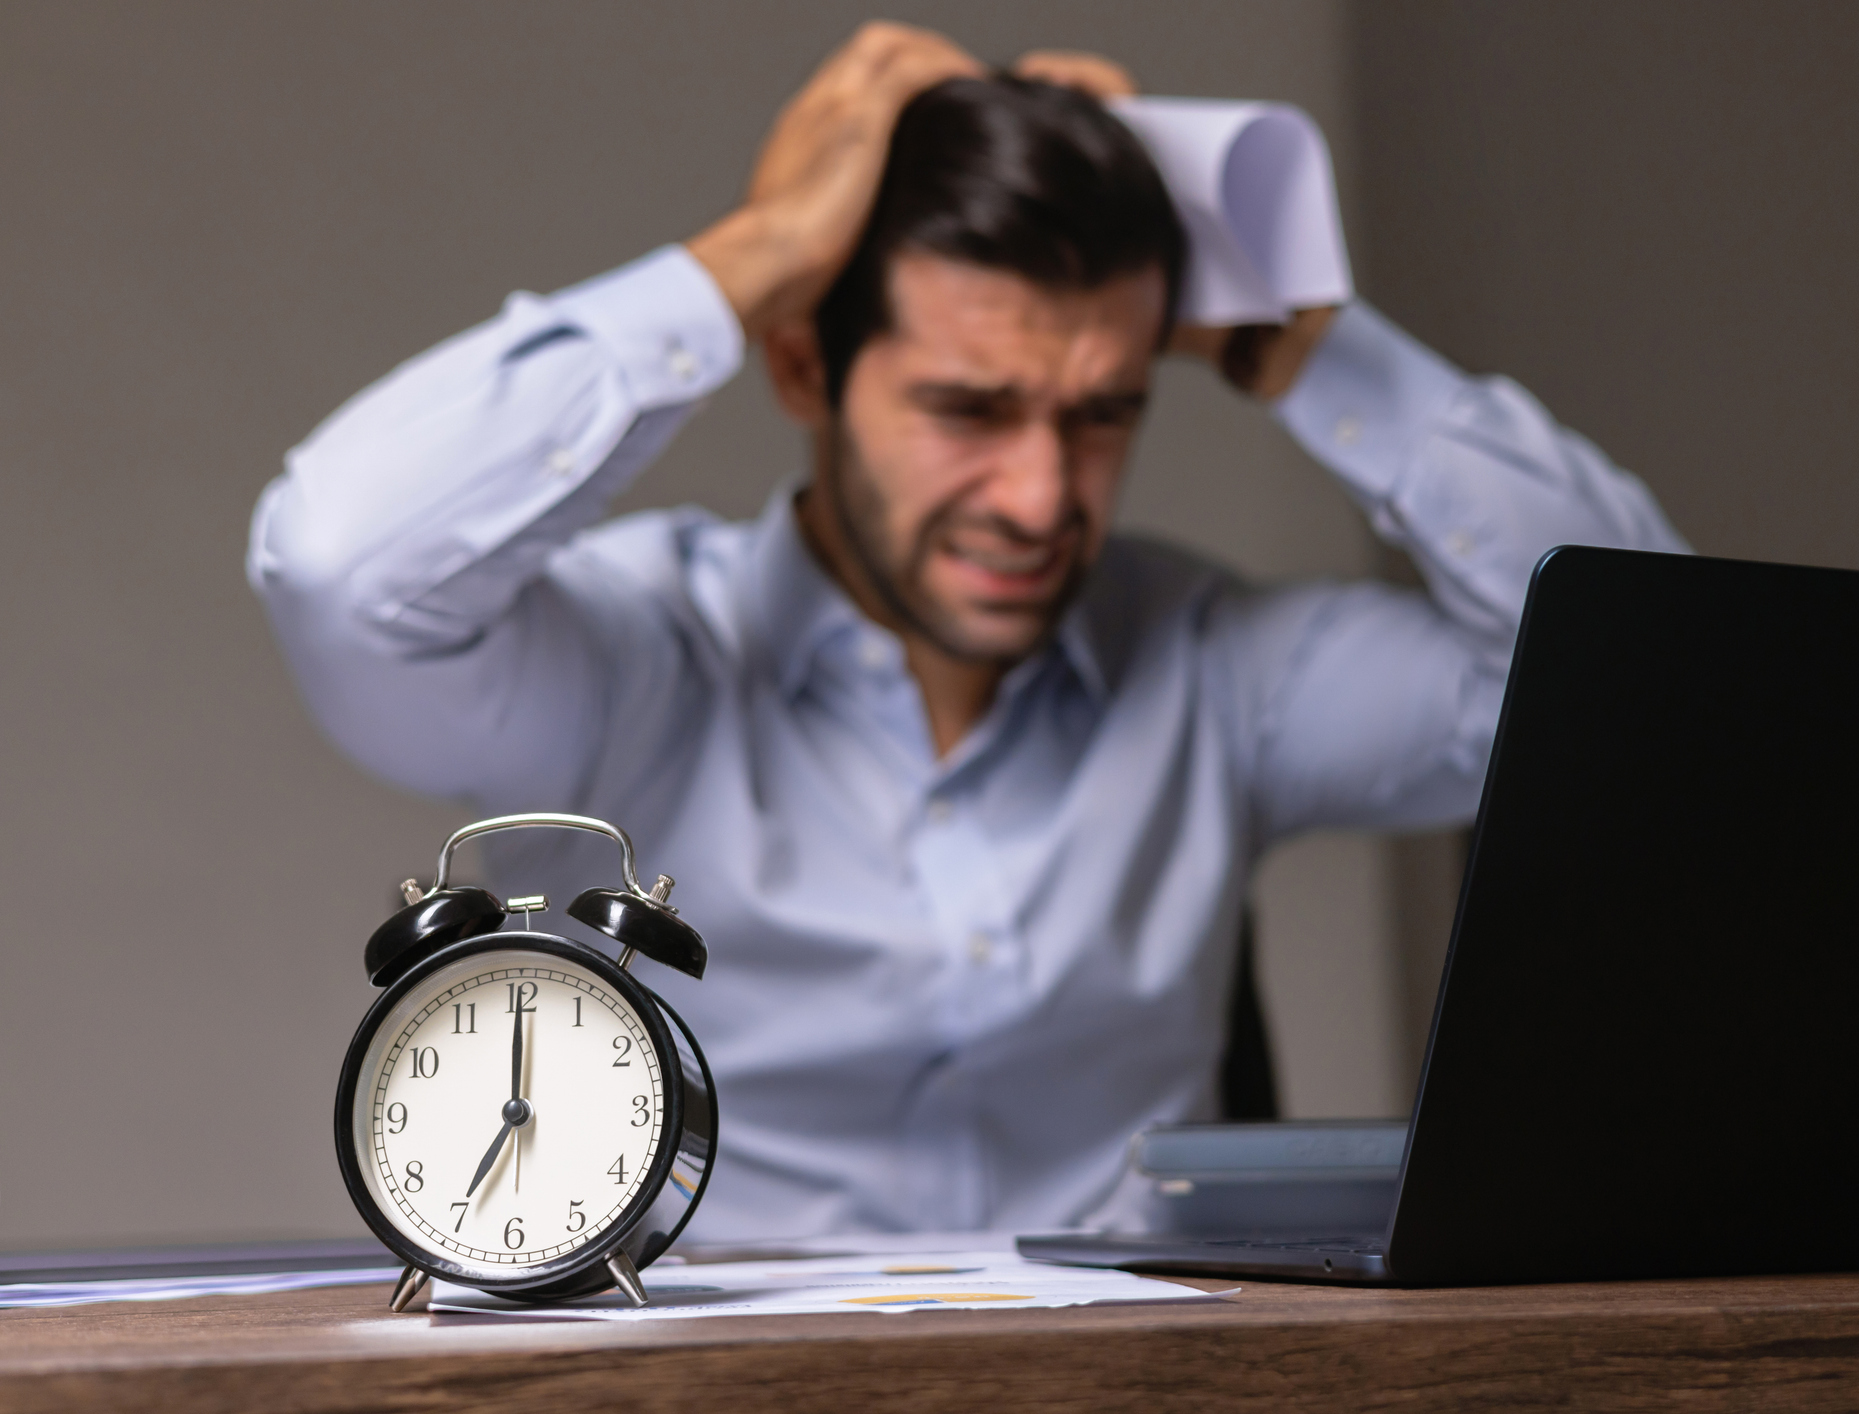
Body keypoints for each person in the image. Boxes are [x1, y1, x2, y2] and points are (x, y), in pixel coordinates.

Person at [248, 24, 1686, 1239]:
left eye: (1102, 410)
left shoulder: (1213, 672)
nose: (1043, 494)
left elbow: (1650, 684)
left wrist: (1298, 342)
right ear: (807, 362)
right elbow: (338, 564)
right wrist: (748, 261)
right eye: (968, 408)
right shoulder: (636, 663)